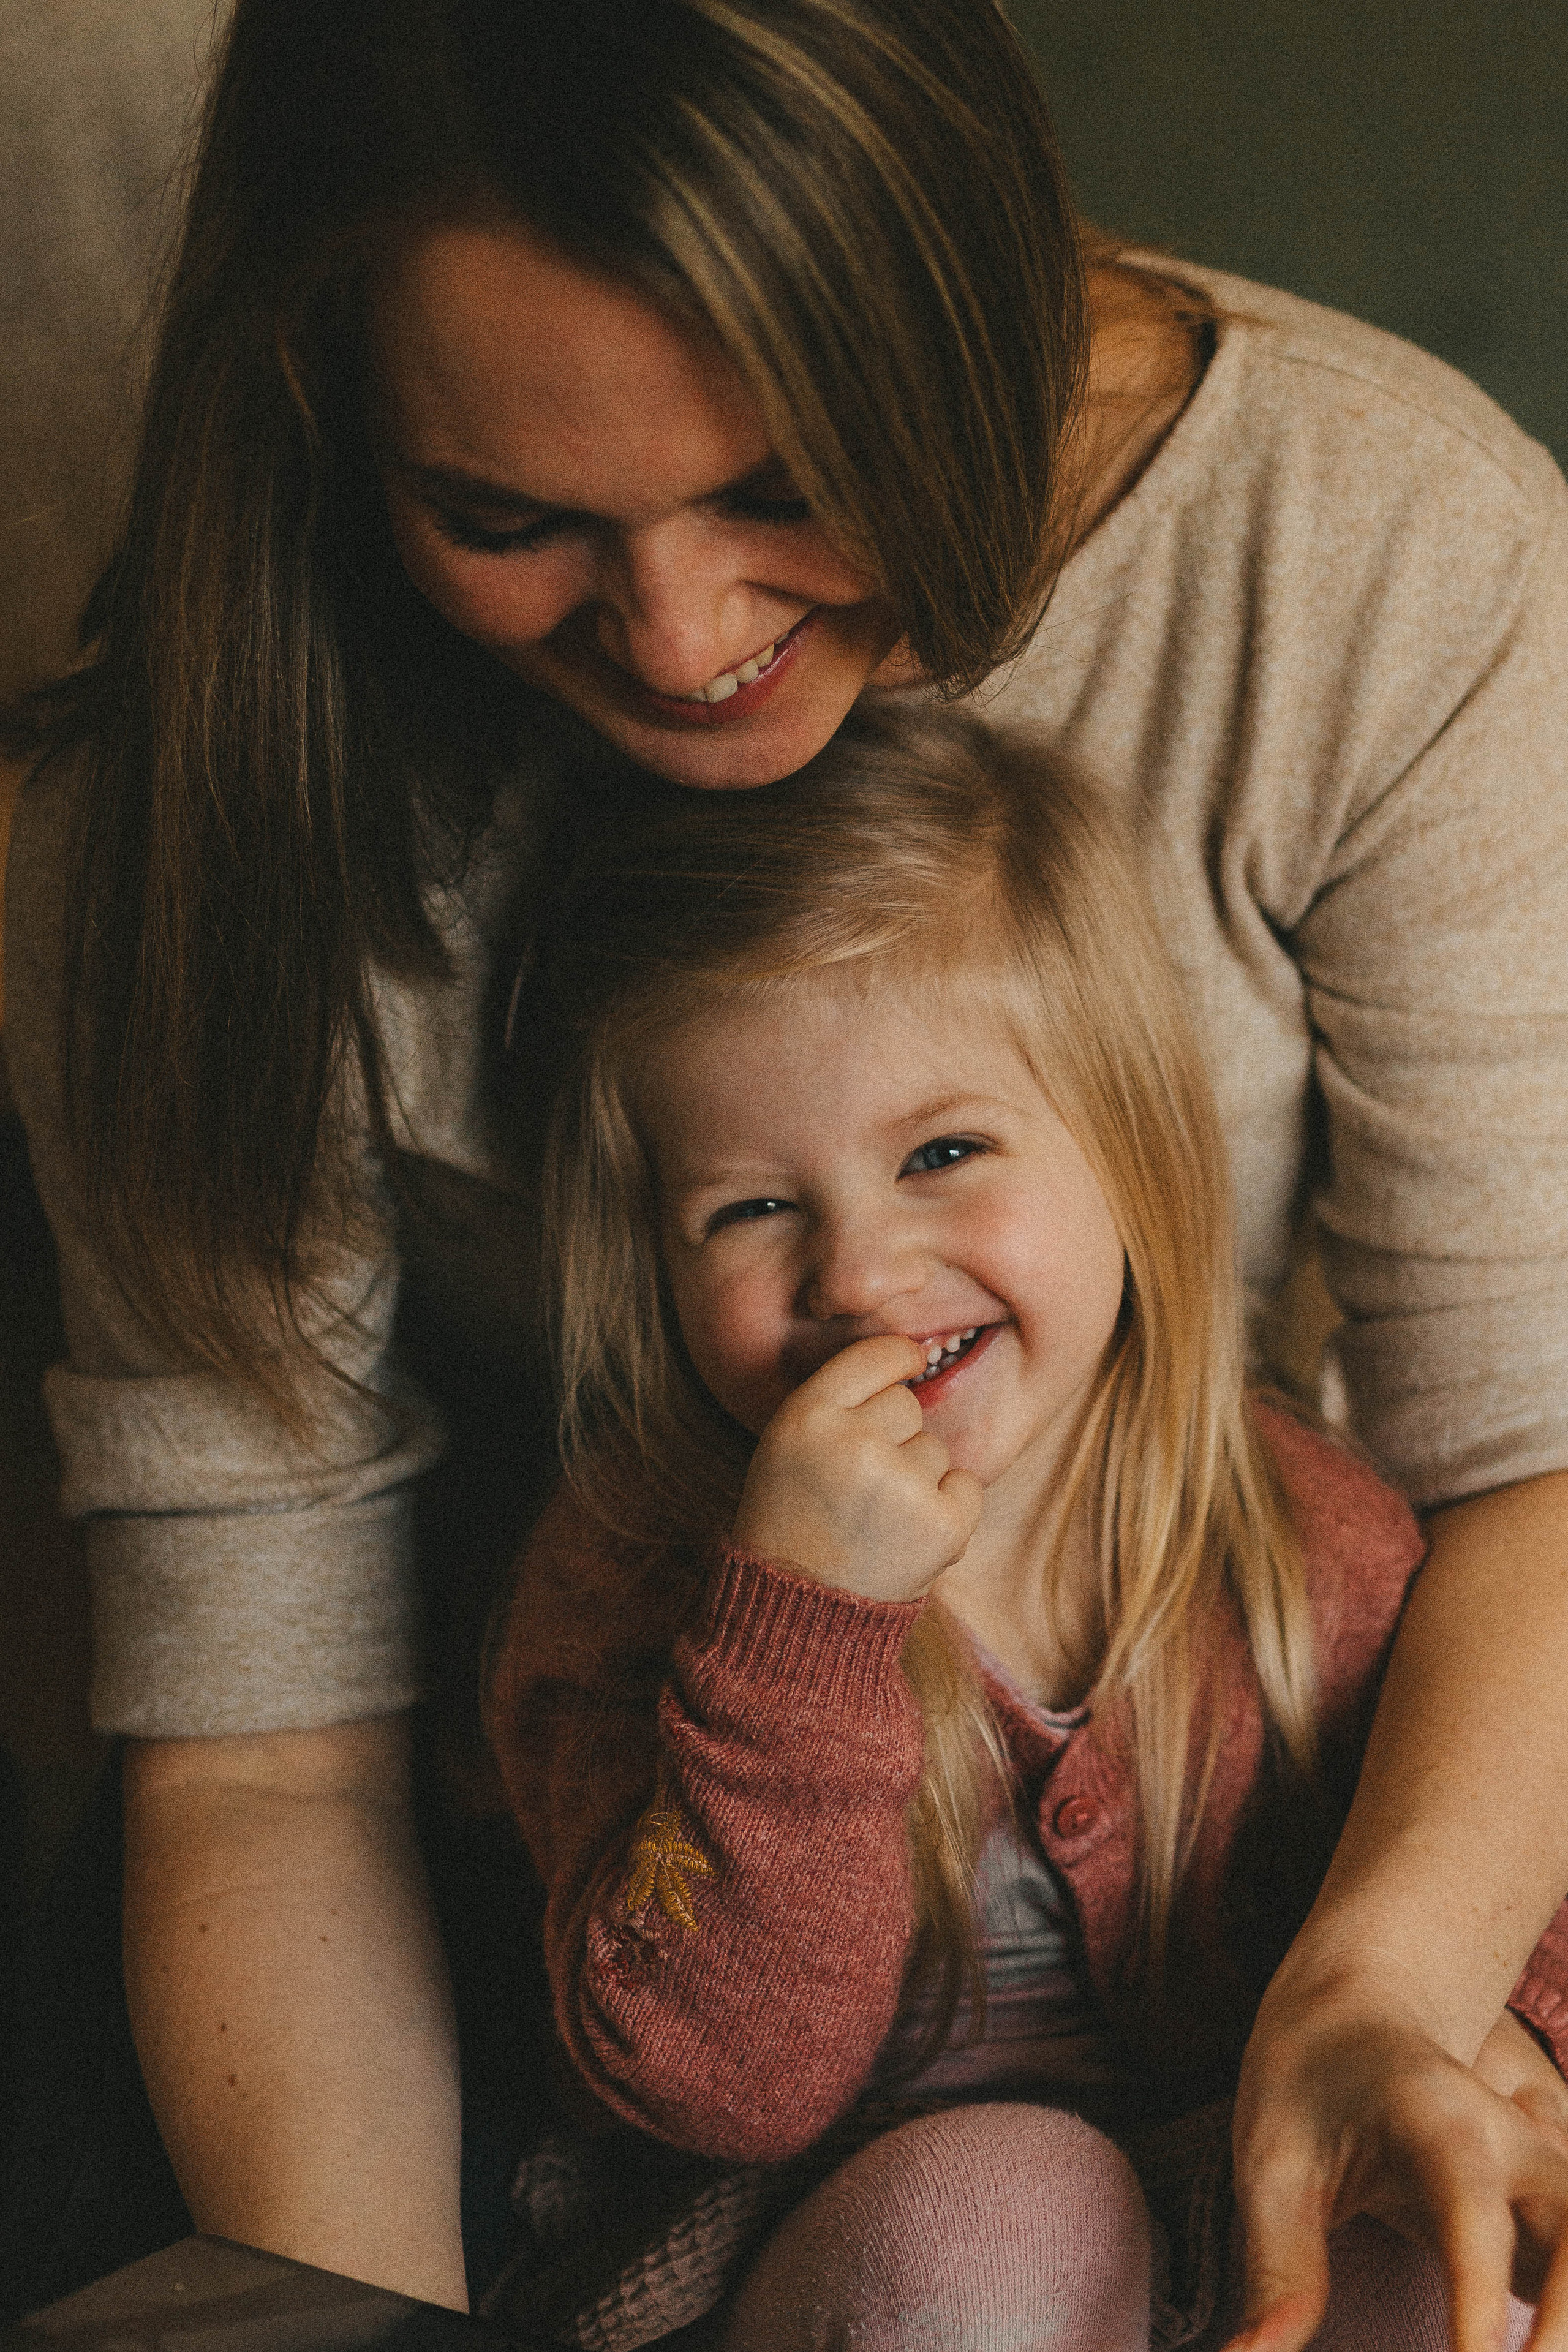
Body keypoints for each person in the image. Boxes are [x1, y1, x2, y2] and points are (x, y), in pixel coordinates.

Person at [4, 0, 1568, 2338]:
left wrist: (1399, 1996)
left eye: (783, 479)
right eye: (506, 519)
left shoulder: (1379, 556)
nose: (684, 638)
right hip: (561, 1982)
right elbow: (265, 1742)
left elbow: (1531, 1469)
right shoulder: (177, 815)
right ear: (331, 419)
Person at [482, 701, 1567, 2351]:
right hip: (844, 2263)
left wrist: (1511, 2041)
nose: (856, 1273)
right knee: (1006, 2207)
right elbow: (717, 2091)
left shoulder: (1295, 1535)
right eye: (753, 1208)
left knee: (1457, 2238)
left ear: (1126, 1161)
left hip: (1245, 2217)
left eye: (943, 1151)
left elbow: (1516, 1867)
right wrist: (801, 1624)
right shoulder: (631, 1582)